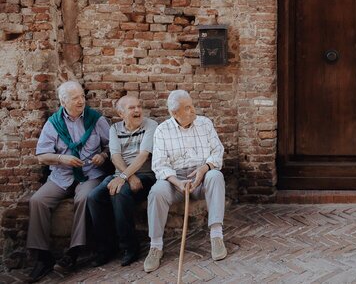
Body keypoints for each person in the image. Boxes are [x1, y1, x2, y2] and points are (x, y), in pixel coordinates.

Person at [27, 81, 110, 283]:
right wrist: (61, 158)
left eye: (82, 96)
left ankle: (73, 252)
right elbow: (41, 156)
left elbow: (112, 146)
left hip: (90, 173)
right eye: (75, 98)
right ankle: (42, 256)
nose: (81, 100)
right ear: (63, 101)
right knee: (37, 200)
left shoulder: (95, 119)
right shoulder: (53, 123)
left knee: (85, 198)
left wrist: (103, 155)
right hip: (61, 175)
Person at [144, 90, 227, 273]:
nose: (193, 110)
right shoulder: (162, 130)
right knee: (156, 192)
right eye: (187, 108)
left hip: (201, 175)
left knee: (216, 176)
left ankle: (216, 236)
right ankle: (155, 246)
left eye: (192, 105)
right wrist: (177, 182)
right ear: (175, 113)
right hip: (174, 180)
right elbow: (159, 164)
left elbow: (217, 151)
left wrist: (204, 168)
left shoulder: (205, 124)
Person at [87, 95, 158, 267]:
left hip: (144, 176)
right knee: (94, 197)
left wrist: (125, 177)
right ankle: (106, 248)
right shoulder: (115, 129)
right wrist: (125, 177)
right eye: (132, 108)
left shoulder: (151, 125)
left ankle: (130, 247)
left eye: (139, 106)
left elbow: (143, 156)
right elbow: (115, 156)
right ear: (121, 113)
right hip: (121, 176)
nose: (137, 110)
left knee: (120, 193)